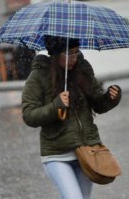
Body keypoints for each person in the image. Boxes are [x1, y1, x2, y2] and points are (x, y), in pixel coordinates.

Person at [22, 35, 122, 199]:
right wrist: (56, 106)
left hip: (85, 151)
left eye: (76, 52)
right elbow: (29, 115)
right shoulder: (38, 76)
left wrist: (110, 99)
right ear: (55, 53)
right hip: (56, 154)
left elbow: (98, 104)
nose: (73, 58)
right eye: (68, 53)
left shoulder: (82, 70)